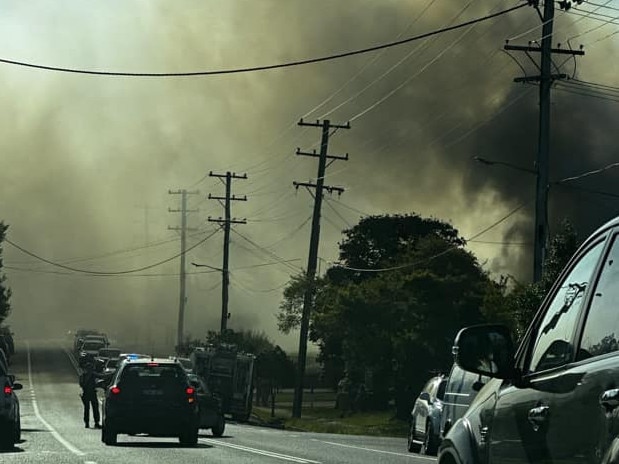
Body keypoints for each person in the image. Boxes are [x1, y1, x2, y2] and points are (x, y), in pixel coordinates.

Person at [79, 362, 101, 429]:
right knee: (95, 408)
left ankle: (87, 423)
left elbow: (81, 384)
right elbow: (102, 376)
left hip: (85, 394)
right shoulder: (93, 374)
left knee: (87, 409)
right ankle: (96, 423)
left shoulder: (82, 376)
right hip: (92, 393)